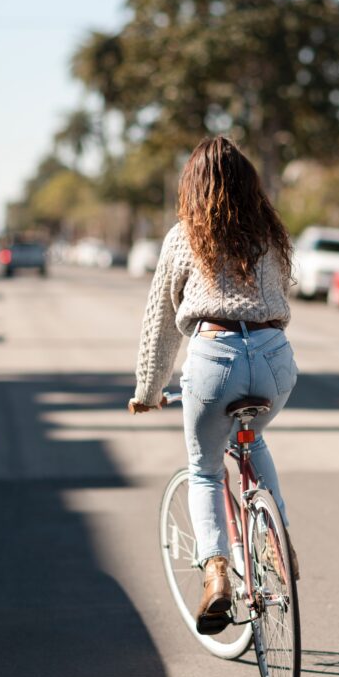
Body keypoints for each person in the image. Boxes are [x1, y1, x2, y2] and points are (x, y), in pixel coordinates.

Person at [128, 136, 298, 635]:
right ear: (248, 184)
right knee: (253, 439)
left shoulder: (185, 237)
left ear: (193, 186)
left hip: (215, 360)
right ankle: (279, 546)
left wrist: (148, 391)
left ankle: (217, 574)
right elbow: (279, 296)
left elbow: (160, 324)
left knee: (204, 471)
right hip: (275, 359)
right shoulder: (269, 234)